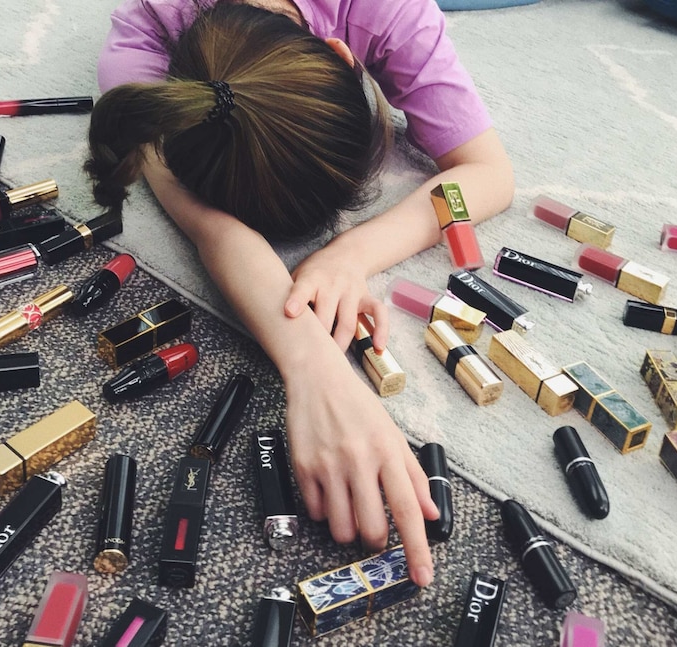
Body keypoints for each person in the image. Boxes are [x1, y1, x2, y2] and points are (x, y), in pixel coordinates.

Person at [87, 0, 514, 587]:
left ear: (344, 56)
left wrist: (353, 253)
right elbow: (208, 223)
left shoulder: (390, 12)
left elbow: (487, 174)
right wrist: (312, 364)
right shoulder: (148, 46)